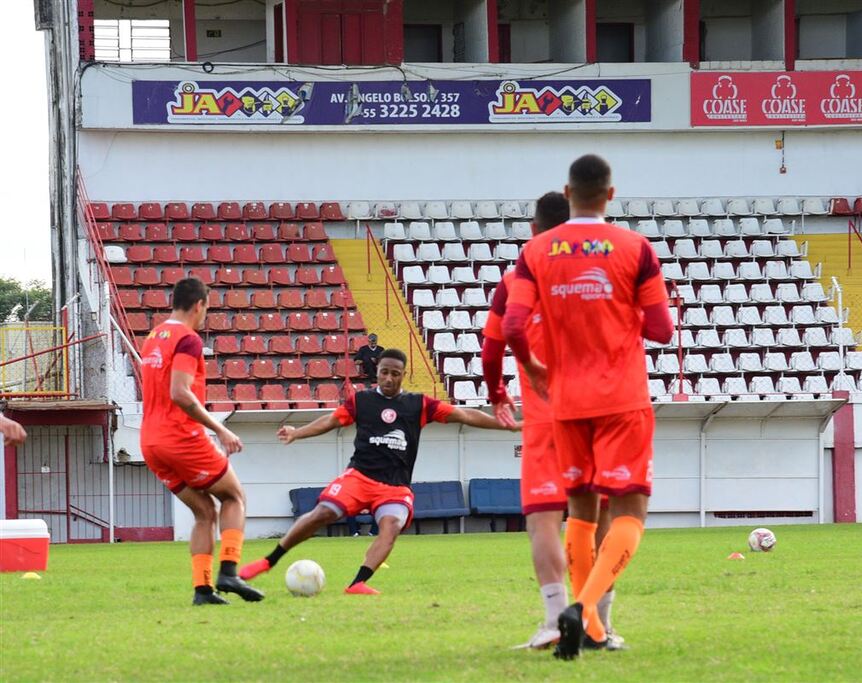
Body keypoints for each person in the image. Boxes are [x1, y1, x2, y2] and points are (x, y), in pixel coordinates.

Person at [503, 155, 673, 659]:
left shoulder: (535, 251)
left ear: (567, 191)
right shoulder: (634, 247)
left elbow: (513, 327)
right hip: (621, 397)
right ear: (610, 194)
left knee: (578, 515)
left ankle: (588, 628)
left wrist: (533, 369)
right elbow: (662, 330)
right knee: (626, 512)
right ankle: (587, 609)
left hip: (565, 401)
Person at [240, 349, 519, 594]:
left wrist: (503, 424)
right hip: (359, 477)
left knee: (392, 525)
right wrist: (297, 432)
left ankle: (357, 583)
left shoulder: (419, 404)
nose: (388, 378)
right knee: (321, 514)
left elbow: (465, 415)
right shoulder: (361, 401)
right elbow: (332, 421)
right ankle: (269, 561)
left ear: (403, 375)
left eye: (394, 374)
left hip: (395, 487)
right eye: (384, 372)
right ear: (378, 372)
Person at [483, 191, 624, 651]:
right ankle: (599, 624)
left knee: (544, 520)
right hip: (598, 414)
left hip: (546, 418)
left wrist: (498, 392)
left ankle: (552, 619)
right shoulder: (599, 276)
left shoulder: (516, 278)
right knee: (600, 518)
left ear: (533, 230)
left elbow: (494, 344)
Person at [139, 277, 264, 606]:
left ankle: (203, 590)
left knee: (205, 512)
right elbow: (179, 393)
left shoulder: (152, 338)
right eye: (206, 309)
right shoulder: (188, 339)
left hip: (151, 442)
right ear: (199, 305)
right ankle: (229, 570)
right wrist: (219, 429)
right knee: (234, 496)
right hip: (180, 436)